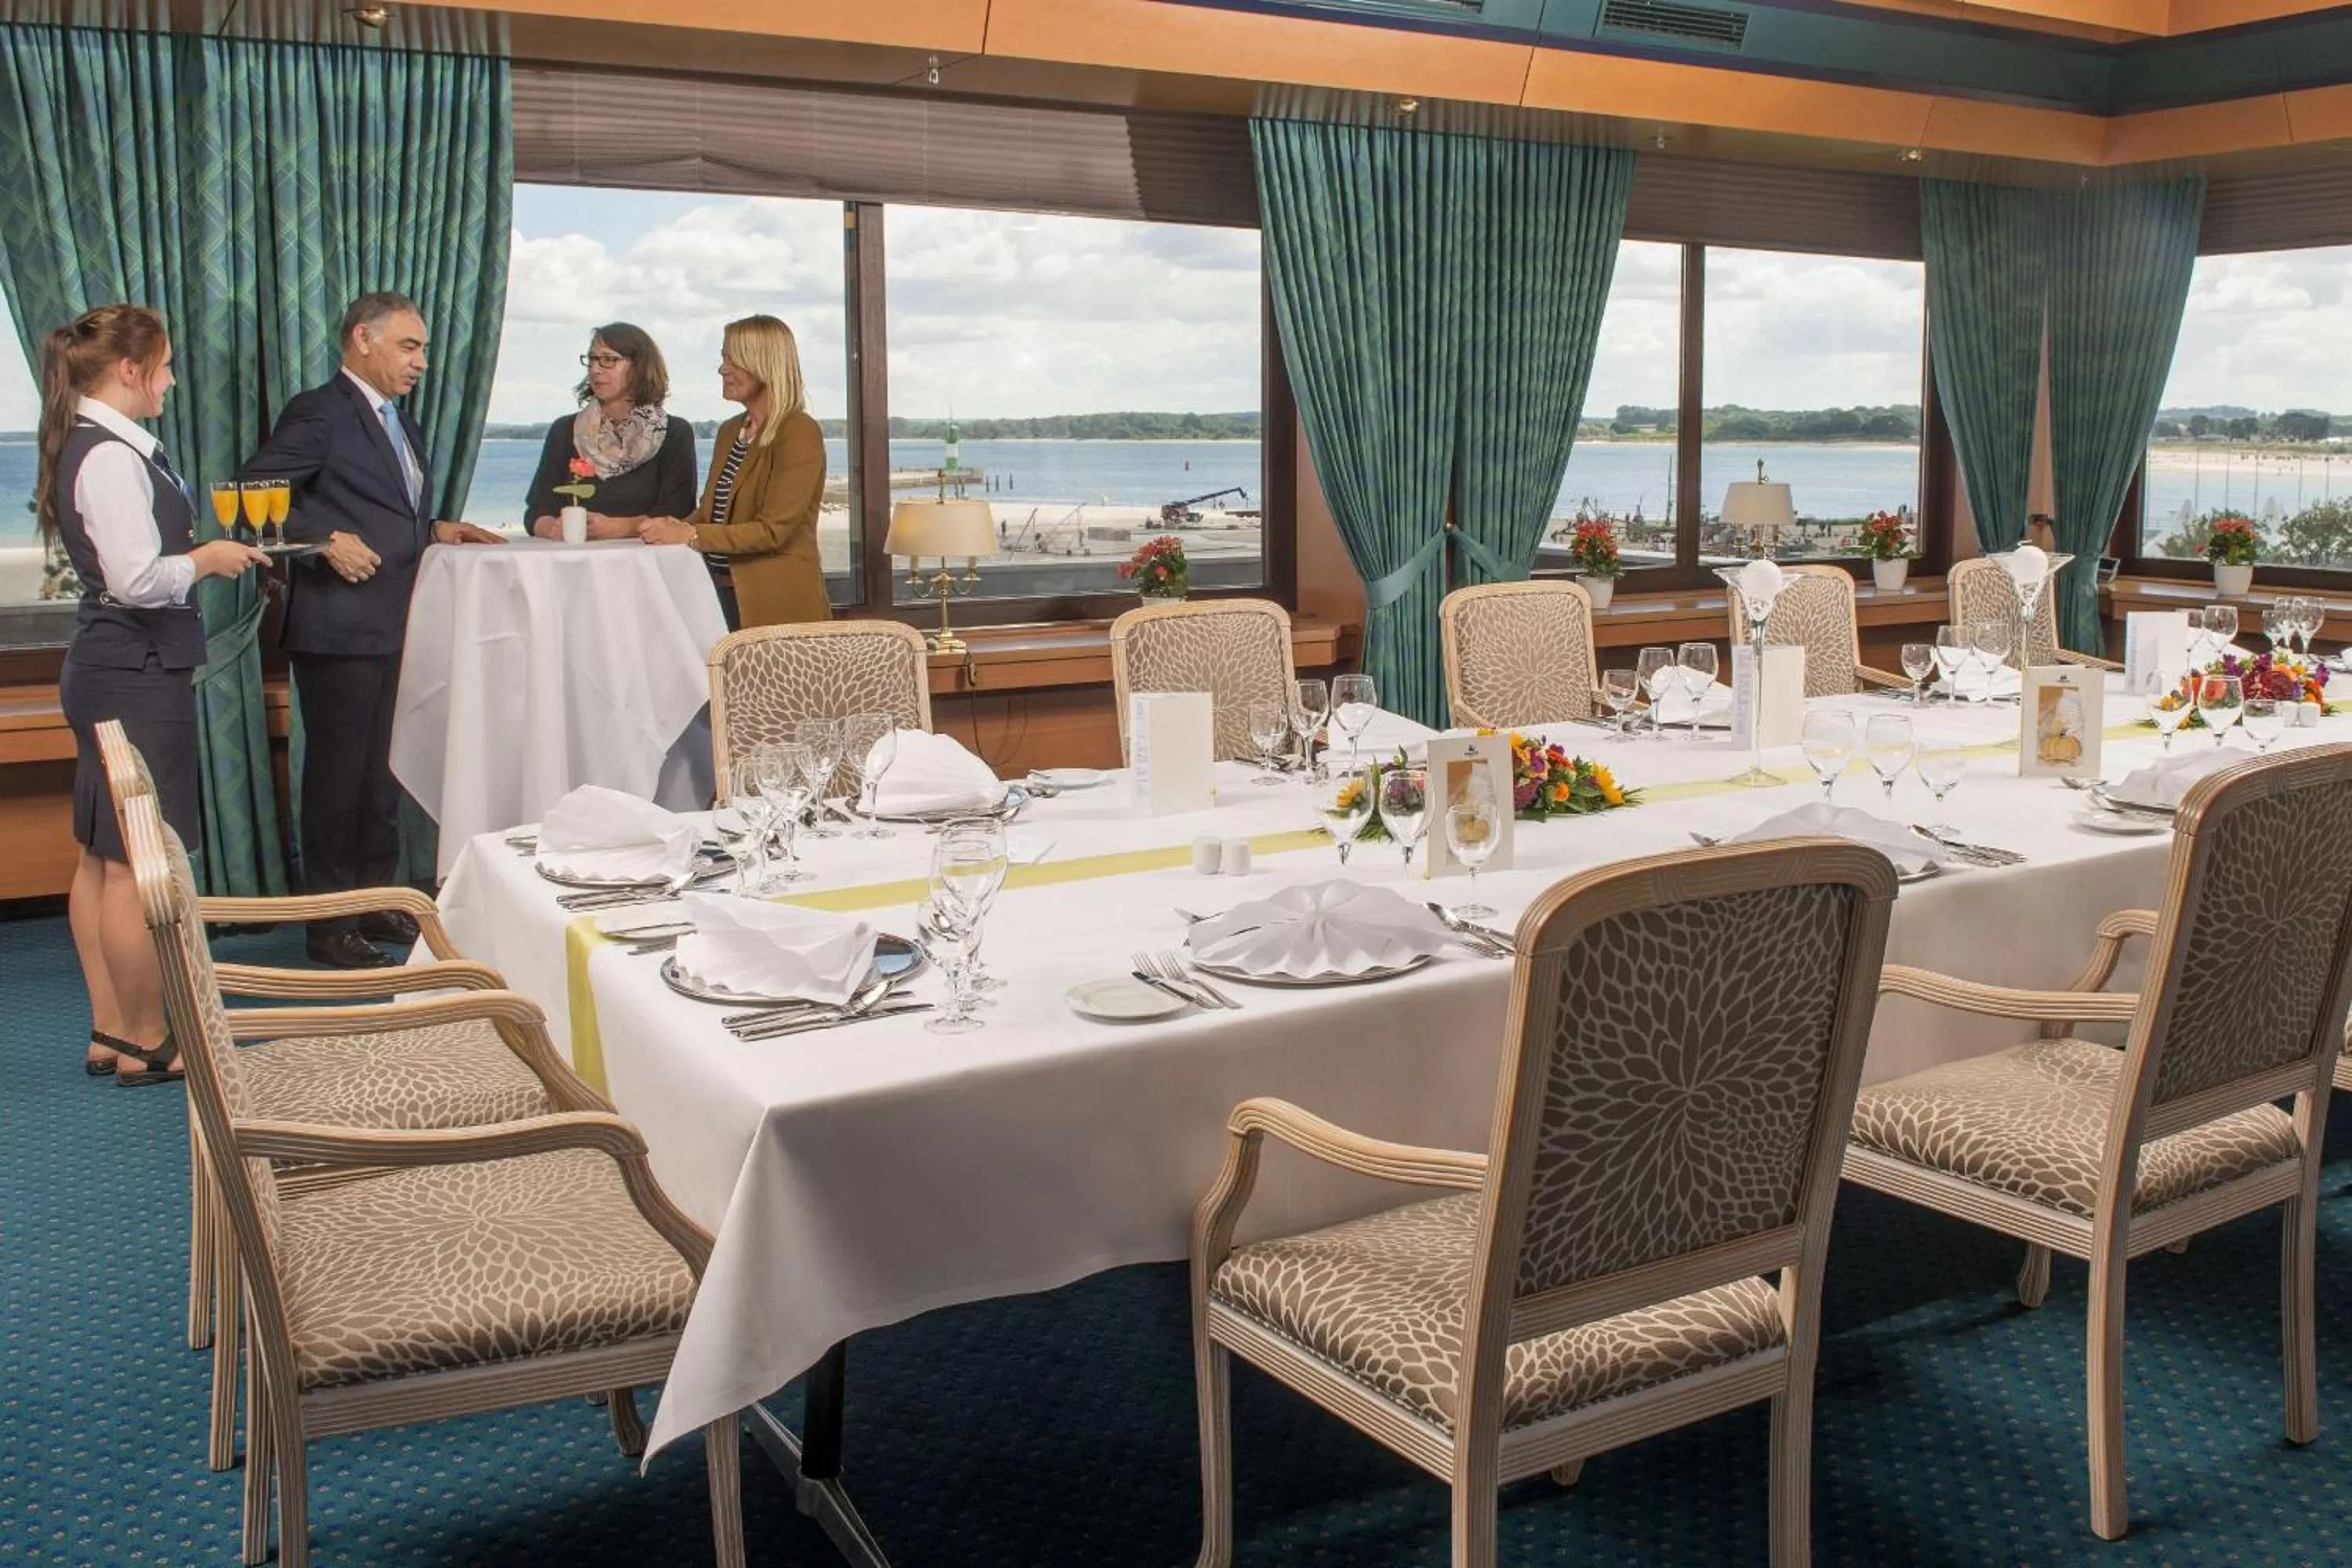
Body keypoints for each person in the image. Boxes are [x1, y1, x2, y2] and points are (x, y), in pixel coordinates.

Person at [240, 291, 504, 969]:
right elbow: (250, 498)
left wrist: (439, 528)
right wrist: (324, 537)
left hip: (395, 621)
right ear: (363, 338)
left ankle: (378, 896)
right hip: (336, 625)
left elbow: (395, 511)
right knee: (336, 778)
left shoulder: (398, 420)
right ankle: (330, 925)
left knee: (377, 775)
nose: (422, 362)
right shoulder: (319, 412)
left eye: (422, 348)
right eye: (409, 347)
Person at [41, 305, 269, 1082]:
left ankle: (113, 1028)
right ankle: (144, 1035)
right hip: (133, 667)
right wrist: (207, 557)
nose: (172, 380)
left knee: (103, 856)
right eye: (165, 366)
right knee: (138, 859)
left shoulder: (89, 441)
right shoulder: (110, 454)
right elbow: (139, 578)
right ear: (131, 371)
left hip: (108, 663)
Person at [635, 314, 829, 628]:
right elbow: (711, 512)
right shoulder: (730, 432)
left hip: (774, 603)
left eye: (732, 359)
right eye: (723, 357)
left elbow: (773, 531)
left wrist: (691, 534)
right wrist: (674, 526)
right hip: (716, 594)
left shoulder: (798, 431)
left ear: (764, 364)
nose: (722, 368)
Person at [522, 322, 697, 539]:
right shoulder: (566, 430)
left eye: (608, 360)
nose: (595, 369)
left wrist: (621, 528)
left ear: (639, 366)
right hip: (573, 562)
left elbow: (680, 514)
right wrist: (550, 528)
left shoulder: (674, 433)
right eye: (592, 360)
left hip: (647, 562)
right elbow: (536, 511)